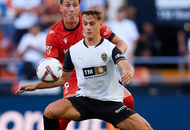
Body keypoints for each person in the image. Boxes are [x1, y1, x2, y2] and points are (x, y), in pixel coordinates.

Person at [16, 8, 153, 130]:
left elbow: (125, 64)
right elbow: (62, 79)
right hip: (85, 100)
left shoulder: (110, 48)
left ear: (100, 25)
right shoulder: (73, 51)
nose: (88, 27)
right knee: (50, 111)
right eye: (85, 24)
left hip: (110, 103)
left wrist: (129, 71)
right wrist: (35, 86)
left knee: (145, 128)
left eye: (92, 24)